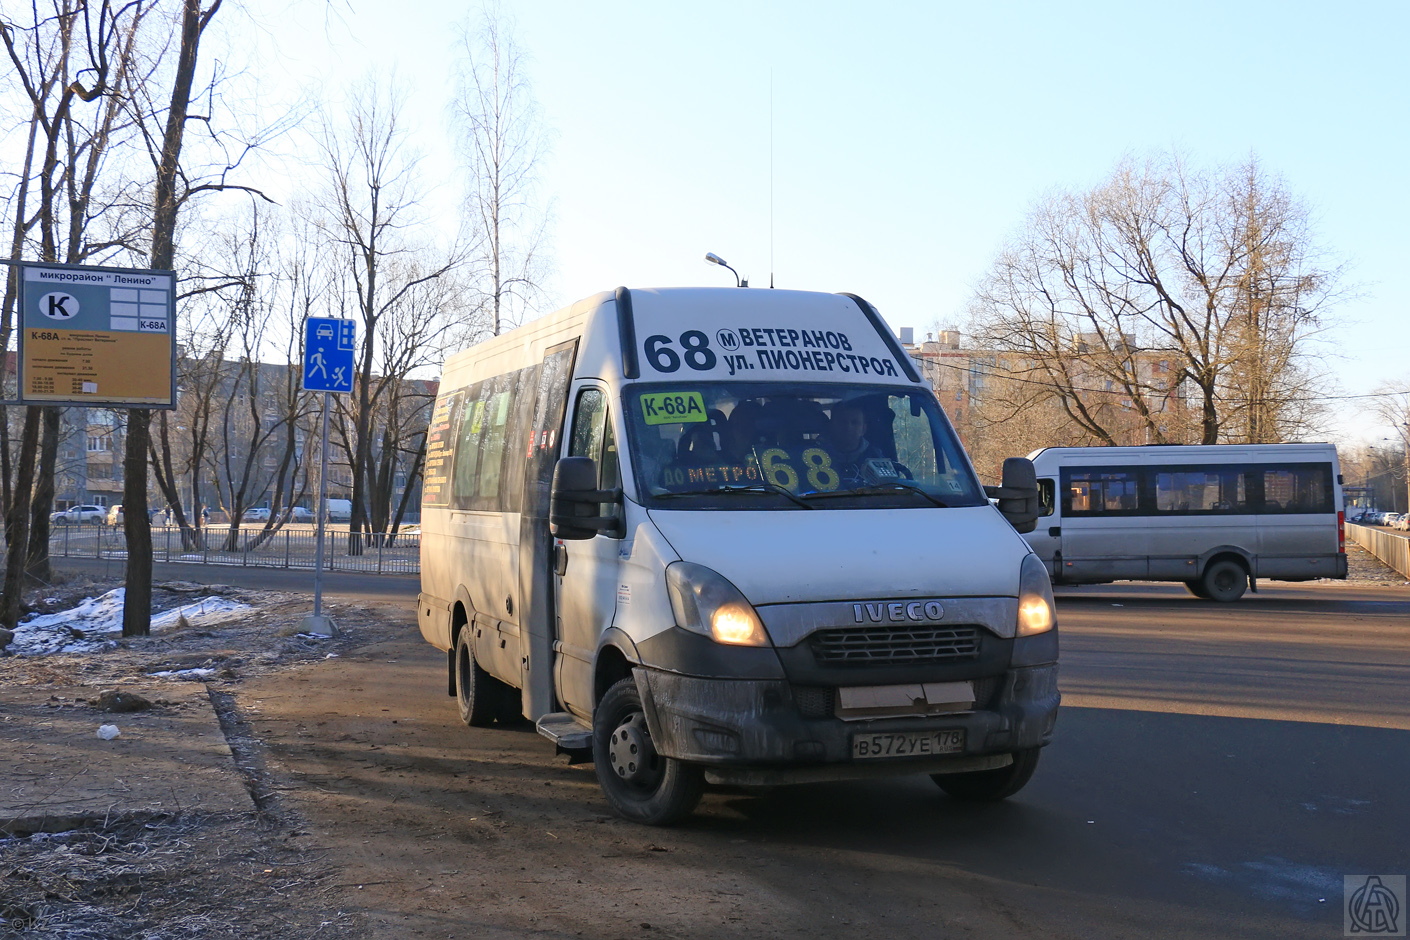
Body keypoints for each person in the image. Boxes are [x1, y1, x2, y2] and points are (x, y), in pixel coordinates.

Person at [824, 401, 884, 477]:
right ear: (831, 425)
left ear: (863, 429)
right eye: (843, 422)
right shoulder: (817, 454)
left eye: (855, 422)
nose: (848, 427)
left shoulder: (875, 457)